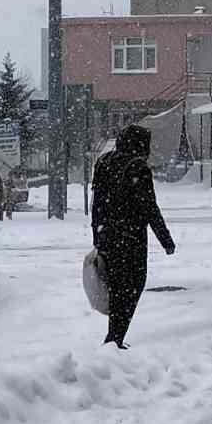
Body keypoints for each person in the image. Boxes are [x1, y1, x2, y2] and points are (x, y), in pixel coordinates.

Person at [90, 124, 175, 349]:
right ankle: (115, 338)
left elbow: (97, 203)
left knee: (116, 287)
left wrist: (96, 235)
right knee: (132, 286)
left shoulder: (103, 162)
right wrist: (165, 239)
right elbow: (149, 208)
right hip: (130, 239)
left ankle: (114, 337)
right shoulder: (137, 168)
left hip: (107, 235)